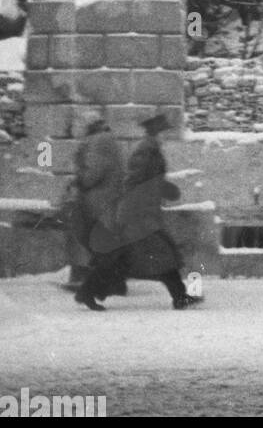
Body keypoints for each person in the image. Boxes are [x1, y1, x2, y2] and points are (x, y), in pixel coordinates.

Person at [75, 113, 198, 312]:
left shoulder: (151, 149)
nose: (165, 136)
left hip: (144, 213)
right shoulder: (146, 150)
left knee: (126, 258)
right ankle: (179, 296)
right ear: (155, 133)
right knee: (159, 254)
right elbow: (133, 180)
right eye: (162, 132)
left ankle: (88, 292)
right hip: (139, 214)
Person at [66, 111, 126, 297]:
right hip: (110, 199)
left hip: (96, 201)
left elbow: (94, 172)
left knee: (92, 241)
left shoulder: (97, 141)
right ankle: (115, 283)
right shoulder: (110, 139)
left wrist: (78, 180)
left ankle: (91, 285)